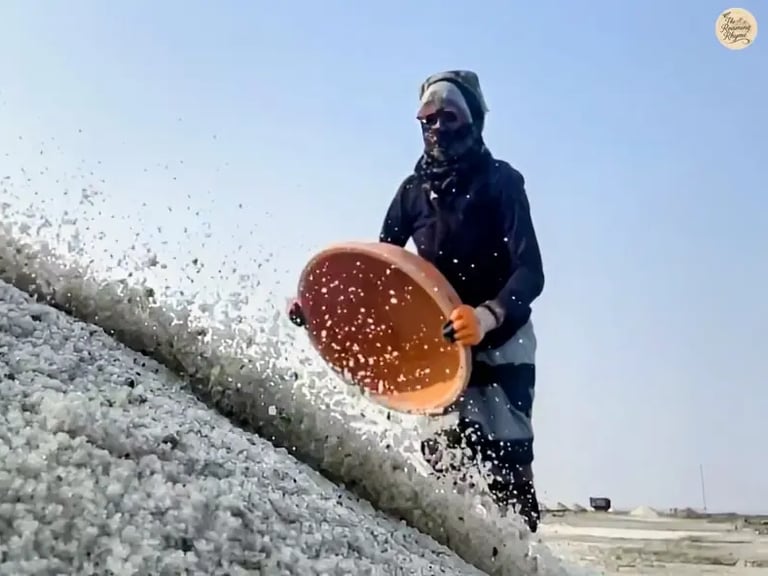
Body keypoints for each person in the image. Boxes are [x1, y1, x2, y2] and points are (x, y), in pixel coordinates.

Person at [288, 70, 545, 533]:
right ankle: (456, 546)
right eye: (429, 116)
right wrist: (321, 307)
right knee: (445, 453)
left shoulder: (502, 183)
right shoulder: (412, 192)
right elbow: (378, 269)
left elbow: (531, 271)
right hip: (442, 341)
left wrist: (489, 316)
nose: (439, 126)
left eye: (451, 114)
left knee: (505, 453)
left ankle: (523, 552)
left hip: (501, 335)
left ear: (475, 121)